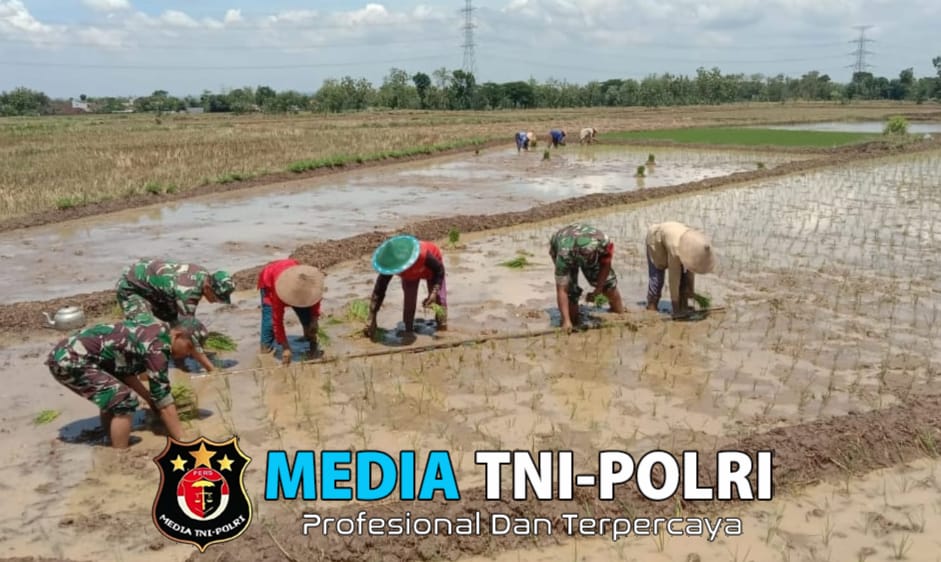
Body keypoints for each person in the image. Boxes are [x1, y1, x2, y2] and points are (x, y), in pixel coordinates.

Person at [45, 315, 208, 449]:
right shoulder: (158, 346)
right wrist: (183, 440)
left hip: (66, 356)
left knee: (114, 395)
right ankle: (120, 455)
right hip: (71, 360)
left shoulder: (153, 329)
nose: (188, 354)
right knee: (124, 400)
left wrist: (150, 400)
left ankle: (110, 439)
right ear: (177, 335)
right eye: (189, 347)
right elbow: (163, 398)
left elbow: (126, 375)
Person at [115, 258, 235, 372]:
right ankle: (135, 364)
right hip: (131, 287)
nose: (215, 302)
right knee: (145, 330)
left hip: (156, 289)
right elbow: (188, 332)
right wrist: (210, 368)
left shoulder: (203, 275)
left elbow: (185, 322)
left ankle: (176, 353)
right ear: (208, 288)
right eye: (216, 298)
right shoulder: (187, 291)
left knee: (175, 322)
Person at [364, 235, 447, 338]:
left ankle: (442, 327)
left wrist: (434, 292)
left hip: (432, 271)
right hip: (410, 275)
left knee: (439, 300)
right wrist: (372, 315)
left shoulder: (422, 254)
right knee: (409, 301)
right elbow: (379, 289)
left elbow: (439, 270)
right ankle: (408, 331)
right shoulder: (391, 263)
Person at [549, 223, 625, 333]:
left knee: (608, 285)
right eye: (585, 258)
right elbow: (562, 290)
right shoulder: (564, 255)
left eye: (590, 257)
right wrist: (566, 321)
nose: (587, 261)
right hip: (565, 248)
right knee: (571, 292)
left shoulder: (603, 242)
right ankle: (571, 320)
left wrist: (598, 289)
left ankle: (620, 313)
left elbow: (606, 263)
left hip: (582, 247)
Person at [257, 258, 325, 365]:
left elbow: (315, 301)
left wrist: (314, 319)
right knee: (269, 321)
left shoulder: (309, 285)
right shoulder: (278, 293)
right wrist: (285, 347)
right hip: (269, 282)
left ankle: (311, 340)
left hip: (292, 273)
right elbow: (277, 321)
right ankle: (265, 348)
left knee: (306, 314)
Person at [645, 221, 717, 318]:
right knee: (657, 277)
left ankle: (683, 305)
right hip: (655, 240)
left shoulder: (693, 244)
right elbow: (673, 279)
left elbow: (690, 271)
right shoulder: (675, 249)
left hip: (672, 234)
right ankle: (652, 306)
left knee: (685, 275)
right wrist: (675, 309)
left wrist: (690, 292)